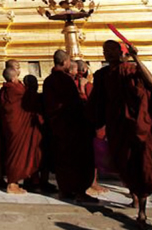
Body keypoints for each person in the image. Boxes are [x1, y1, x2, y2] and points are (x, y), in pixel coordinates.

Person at [88, 40, 152, 228]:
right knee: (124, 163)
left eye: (111, 50)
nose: (107, 54)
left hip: (139, 125)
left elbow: (151, 83)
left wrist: (136, 57)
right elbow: (98, 101)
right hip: (117, 125)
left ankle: (141, 209)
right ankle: (135, 194)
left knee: (142, 163)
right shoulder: (103, 75)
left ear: (121, 52)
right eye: (105, 50)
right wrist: (95, 121)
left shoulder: (132, 69)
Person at [42, 50, 96, 202]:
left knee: (62, 158)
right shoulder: (65, 80)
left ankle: (65, 190)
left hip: (57, 126)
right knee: (77, 159)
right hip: (71, 125)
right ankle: (80, 191)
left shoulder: (48, 80)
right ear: (65, 62)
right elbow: (73, 103)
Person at [0, 67, 42, 194]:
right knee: (17, 154)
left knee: (15, 153)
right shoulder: (16, 90)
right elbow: (29, 98)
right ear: (13, 78)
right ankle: (11, 184)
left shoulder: (5, 90)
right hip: (18, 127)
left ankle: (15, 181)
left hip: (13, 126)